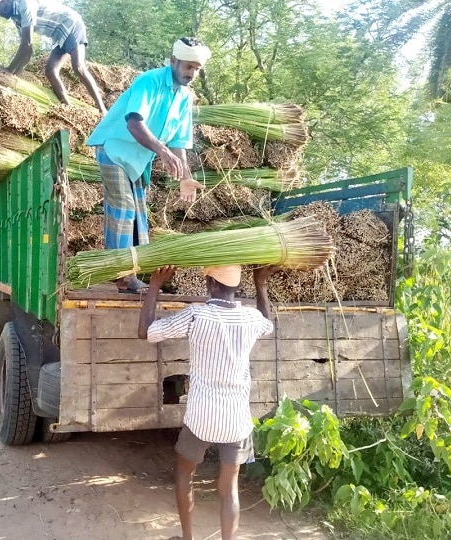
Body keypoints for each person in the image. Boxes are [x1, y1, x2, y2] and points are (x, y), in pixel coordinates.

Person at [138, 264, 277, 540]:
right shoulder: (250, 319)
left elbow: (146, 331)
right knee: (229, 490)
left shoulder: (196, 315)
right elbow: (268, 323)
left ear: (211, 284)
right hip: (236, 420)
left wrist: (154, 285)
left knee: (184, 474)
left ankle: (188, 537)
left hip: (202, 417)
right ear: (235, 287)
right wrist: (260, 283)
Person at [86, 38, 209, 293]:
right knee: (123, 208)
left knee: (139, 216)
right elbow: (134, 123)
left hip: (139, 160)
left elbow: (179, 141)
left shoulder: (185, 97)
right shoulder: (149, 81)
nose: (191, 74)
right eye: (188, 67)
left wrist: (185, 176)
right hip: (115, 149)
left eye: (196, 69)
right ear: (173, 61)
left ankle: (129, 271)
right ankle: (119, 274)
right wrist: (162, 151)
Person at [0, 0, 107, 114]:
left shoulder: (25, 4)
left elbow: (27, 44)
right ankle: (68, 108)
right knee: (51, 72)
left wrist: (9, 70)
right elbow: (27, 52)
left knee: (78, 67)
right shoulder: (16, 19)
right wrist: (14, 78)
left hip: (72, 25)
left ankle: (102, 110)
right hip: (59, 36)